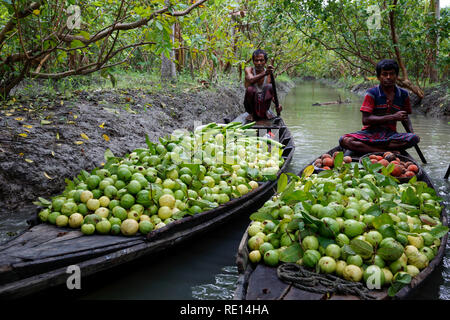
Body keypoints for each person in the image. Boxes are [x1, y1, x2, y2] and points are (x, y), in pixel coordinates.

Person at [339, 59, 420, 154]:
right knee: (344, 140)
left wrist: (411, 131)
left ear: (396, 76)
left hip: (390, 135)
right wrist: (393, 117)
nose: (388, 77)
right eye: (384, 74)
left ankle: (368, 148)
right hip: (369, 133)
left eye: (392, 74)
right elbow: (365, 120)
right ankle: (382, 151)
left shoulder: (403, 95)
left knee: (414, 138)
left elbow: (405, 117)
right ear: (378, 77)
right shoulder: (371, 93)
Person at [244, 49, 282, 121]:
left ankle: (265, 112)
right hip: (251, 106)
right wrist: (265, 73)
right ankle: (252, 114)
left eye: (261, 60)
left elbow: (272, 94)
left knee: (270, 87)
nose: (259, 63)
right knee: (250, 89)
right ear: (253, 61)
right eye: (256, 60)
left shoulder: (269, 75)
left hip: (264, 105)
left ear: (265, 62)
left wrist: (277, 105)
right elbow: (251, 80)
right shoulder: (249, 70)